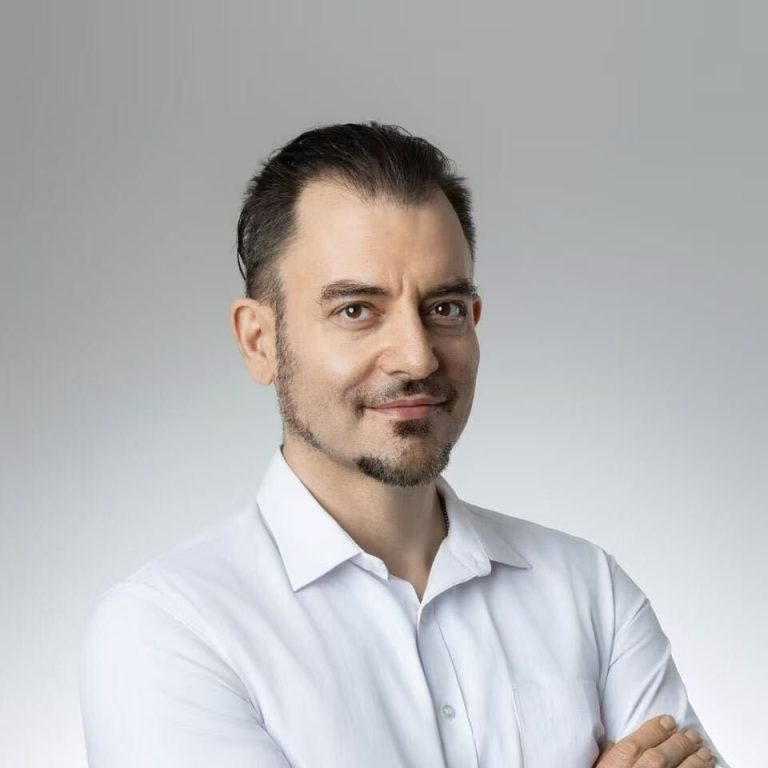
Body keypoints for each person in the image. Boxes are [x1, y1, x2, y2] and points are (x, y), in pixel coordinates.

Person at [79, 122, 729, 767]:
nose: (417, 358)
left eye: (443, 309)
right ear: (259, 341)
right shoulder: (170, 631)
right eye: (356, 310)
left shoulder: (591, 592)